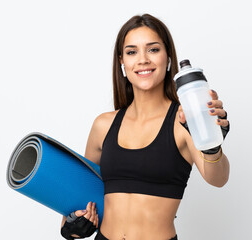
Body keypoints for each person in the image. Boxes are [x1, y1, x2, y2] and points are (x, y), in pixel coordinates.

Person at [60, 13, 230, 240]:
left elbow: (218, 179)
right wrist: (72, 224)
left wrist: (212, 142)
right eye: (132, 52)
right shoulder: (104, 124)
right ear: (122, 61)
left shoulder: (183, 121)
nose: (142, 60)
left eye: (153, 49)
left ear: (168, 57)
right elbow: (80, 196)